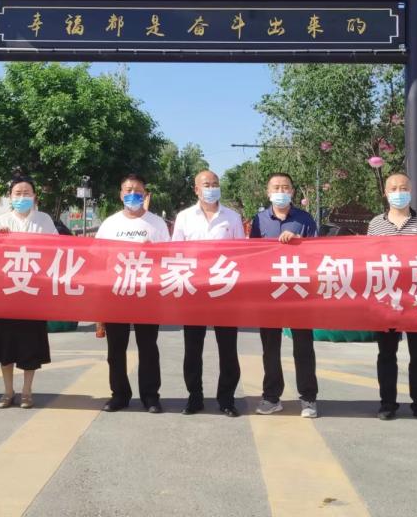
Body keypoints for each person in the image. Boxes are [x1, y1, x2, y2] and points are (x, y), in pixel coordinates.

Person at [365, 173, 417, 424]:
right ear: (385, 193)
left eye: (403, 187)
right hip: (386, 298)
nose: (399, 192)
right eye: (394, 188)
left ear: (411, 190)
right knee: (386, 353)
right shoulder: (376, 224)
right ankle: (387, 403)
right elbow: (368, 259)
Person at [171, 169, 245, 417]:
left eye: (215, 184)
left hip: (225, 290)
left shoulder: (232, 217)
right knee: (192, 348)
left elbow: (242, 254)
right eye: (206, 184)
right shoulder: (184, 218)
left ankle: (227, 399)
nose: (211, 188)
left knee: (228, 348)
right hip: (194, 291)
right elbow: (175, 254)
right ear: (196, 189)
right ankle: (195, 397)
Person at [94, 173, 170, 413]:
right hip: (116, 293)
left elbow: (169, 257)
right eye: (128, 190)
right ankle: (119, 394)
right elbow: (98, 259)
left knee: (148, 347)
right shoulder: (109, 224)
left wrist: (153, 253)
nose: (133, 194)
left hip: (147, 293)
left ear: (145, 194)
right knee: (116, 348)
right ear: (120, 194)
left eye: (138, 191)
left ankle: (150, 396)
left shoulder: (156, 224)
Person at [0, 173, 54, 409]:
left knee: (30, 345)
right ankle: (7, 390)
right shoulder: (1, 221)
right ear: (10, 197)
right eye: (17, 193)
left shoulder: (44, 220)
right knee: (5, 345)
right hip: (6, 293)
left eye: (26, 193)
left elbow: (56, 250)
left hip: (33, 291)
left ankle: (27, 391)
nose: (22, 197)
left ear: (34, 196)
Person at [250, 173, 320, 419]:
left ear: (292, 191)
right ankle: (271, 397)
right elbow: (252, 255)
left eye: (286, 187)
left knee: (303, 347)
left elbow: (318, 253)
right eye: (276, 187)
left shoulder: (304, 219)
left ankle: (308, 398)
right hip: (269, 293)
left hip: (299, 292)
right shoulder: (259, 220)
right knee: (270, 347)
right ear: (268, 192)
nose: (281, 191)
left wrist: (300, 243)